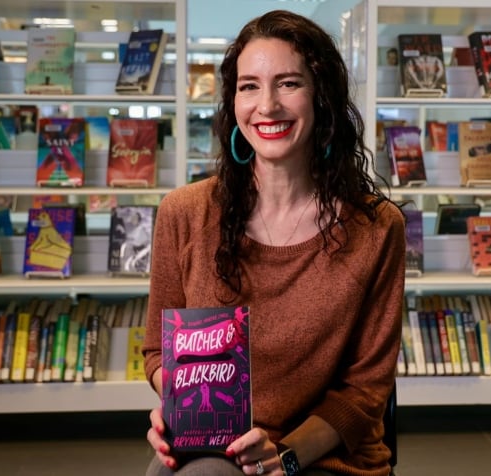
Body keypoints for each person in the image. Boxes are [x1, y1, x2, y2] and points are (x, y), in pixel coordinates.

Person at [143, 10, 406, 476]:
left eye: (288, 83)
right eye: (249, 86)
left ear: (321, 97)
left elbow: (365, 391)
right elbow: (159, 354)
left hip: (325, 455)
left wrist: (282, 456)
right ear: (233, 101)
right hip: (218, 444)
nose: (266, 106)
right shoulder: (184, 213)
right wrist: (181, 407)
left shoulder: (378, 228)